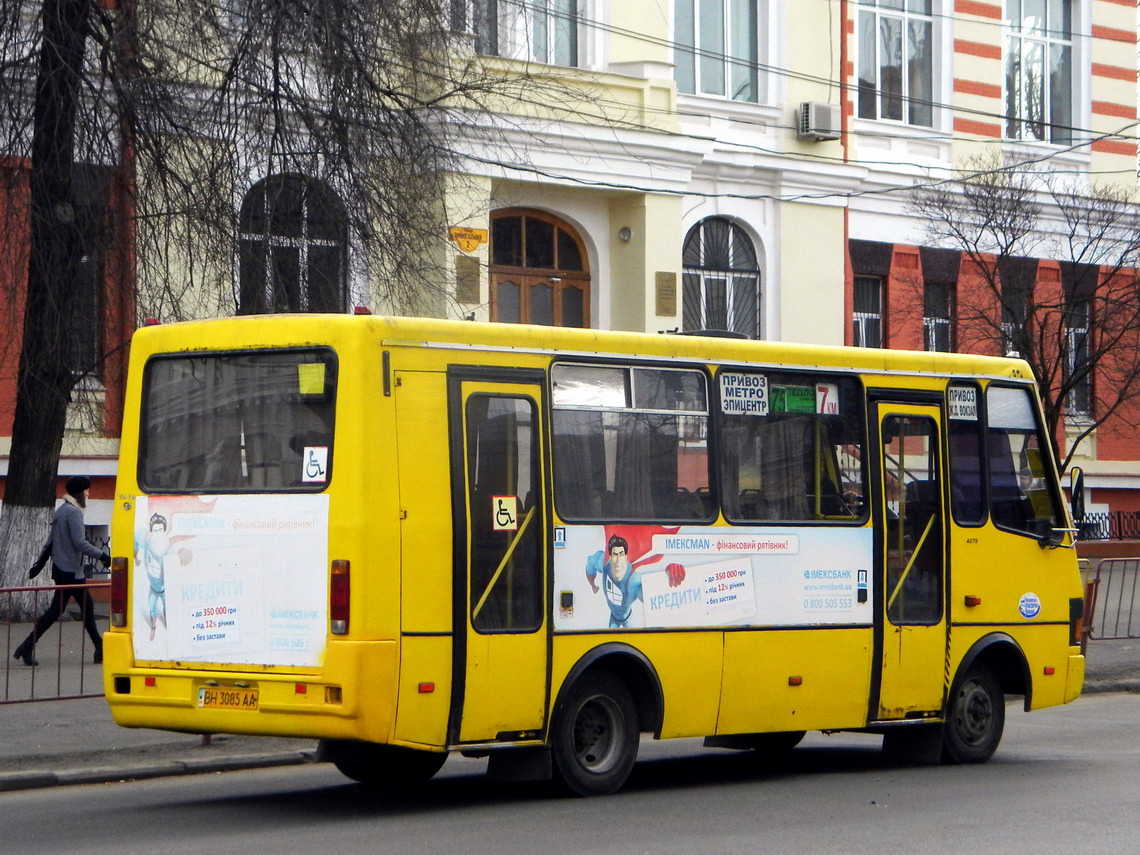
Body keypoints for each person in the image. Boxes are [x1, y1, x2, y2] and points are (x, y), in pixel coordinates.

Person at [13, 475, 110, 666]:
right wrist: (103, 556)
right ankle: (26, 646)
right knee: (62, 610)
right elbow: (80, 543)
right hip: (71, 572)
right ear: (80, 492)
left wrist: (40, 563)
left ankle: (99, 648)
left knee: (81, 608)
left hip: (63, 569)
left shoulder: (62, 510)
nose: (89, 493)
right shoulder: (73, 512)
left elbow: (50, 542)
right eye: (87, 490)